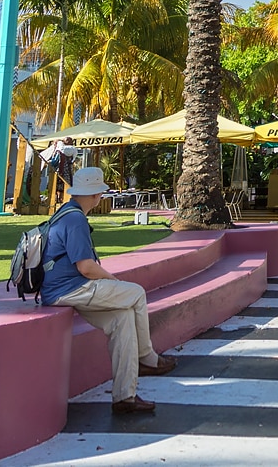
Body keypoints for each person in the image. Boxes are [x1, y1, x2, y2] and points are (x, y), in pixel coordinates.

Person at [39, 166, 176, 413]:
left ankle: (125, 397)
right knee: (135, 293)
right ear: (95, 195)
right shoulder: (75, 219)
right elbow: (86, 267)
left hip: (63, 290)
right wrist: (112, 280)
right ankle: (147, 358)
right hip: (71, 288)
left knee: (122, 319)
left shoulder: (66, 213)